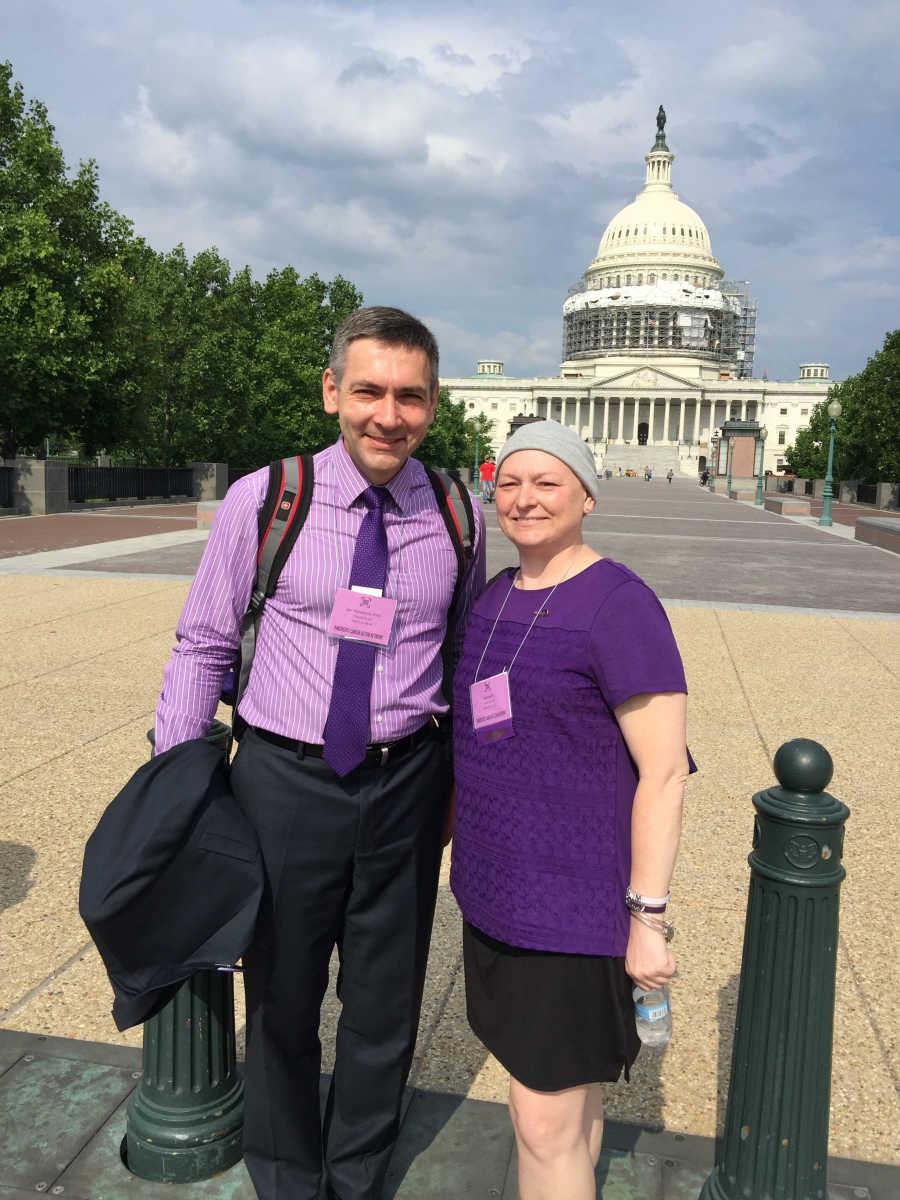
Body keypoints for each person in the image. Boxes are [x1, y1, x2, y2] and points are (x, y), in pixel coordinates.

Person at [155, 307, 486, 1200]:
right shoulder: (266, 500)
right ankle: (289, 1178)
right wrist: (178, 797)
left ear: (432, 403)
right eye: (370, 390)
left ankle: (357, 1176)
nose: (390, 415)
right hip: (283, 784)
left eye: (410, 396)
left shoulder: (458, 513)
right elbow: (201, 647)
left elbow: (462, 660)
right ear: (333, 390)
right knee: (281, 1005)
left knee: (385, 1011)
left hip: (406, 784)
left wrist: (469, 790)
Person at [449, 421, 690, 1200]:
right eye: (510, 482)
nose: (524, 499)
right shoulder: (494, 595)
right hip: (496, 894)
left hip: (570, 906)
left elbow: (663, 773)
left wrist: (647, 918)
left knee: (541, 1123)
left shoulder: (619, 605)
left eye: (547, 482)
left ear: (586, 494)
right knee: (569, 1108)